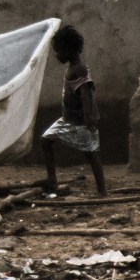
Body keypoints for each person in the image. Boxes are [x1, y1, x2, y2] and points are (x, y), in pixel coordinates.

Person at [40, 24, 107, 196]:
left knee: (91, 153)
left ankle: (102, 191)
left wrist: (88, 116)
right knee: (46, 140)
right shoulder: (74, 67)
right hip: (68, 119)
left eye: (59, 51)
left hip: (81, 121)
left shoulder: (79, 69)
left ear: (69, 49)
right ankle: (52, 180)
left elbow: (87, 92)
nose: (57, 55)